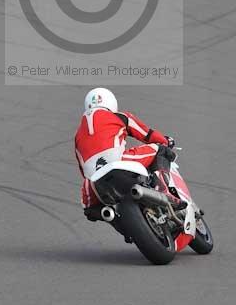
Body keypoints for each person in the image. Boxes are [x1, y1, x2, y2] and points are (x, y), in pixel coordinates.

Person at [75, 87, 175, 221]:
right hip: (118, 163)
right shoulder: (120, 116)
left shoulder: (77, 136)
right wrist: (166, 141)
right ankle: (163, 190)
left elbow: (83, 169)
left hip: (93, 181)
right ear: (111, 103)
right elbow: (147, 134)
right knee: (160, 150)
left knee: (90, 210)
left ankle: (112, 217)